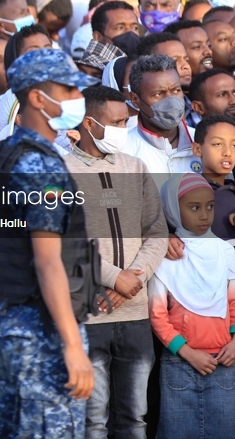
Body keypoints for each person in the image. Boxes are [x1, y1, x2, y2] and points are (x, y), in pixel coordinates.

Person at [0, 48, 98, 438]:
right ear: (35, 97)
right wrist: (71, 346)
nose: (75, 98)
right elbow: (47, 261)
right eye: (66, 89)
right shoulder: (41, 166)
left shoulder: (2, 154)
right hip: (44, 330)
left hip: (13, 320)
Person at [66, 85, 168, 439]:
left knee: (134, 419)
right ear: (89, 124)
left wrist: (132, 281)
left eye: (126, 121)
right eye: (117, 122)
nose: (124, 129)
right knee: (92, 420)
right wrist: (113, 278)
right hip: (88, 315)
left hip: (136, 316)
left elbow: (157, 232)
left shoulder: (134, 166)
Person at [149, 173, 235, 439]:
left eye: (210, 206)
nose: (204, 215)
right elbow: (157, 315)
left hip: (224, 363)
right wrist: (188, 353)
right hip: (180, 364)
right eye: (194, 208)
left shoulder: (224, 252)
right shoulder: (166, 256)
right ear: (172, 209)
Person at [122, 54, 198, 179]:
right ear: (135, 99)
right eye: (158, 94)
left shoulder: (203, 143)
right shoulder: (124, 151)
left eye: (176, 90)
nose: (171, 101)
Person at [192, 115, 235, 274]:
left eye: (234, 145)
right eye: (218, 144)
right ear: (197, 149)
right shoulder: (186, 195)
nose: (227, 152)